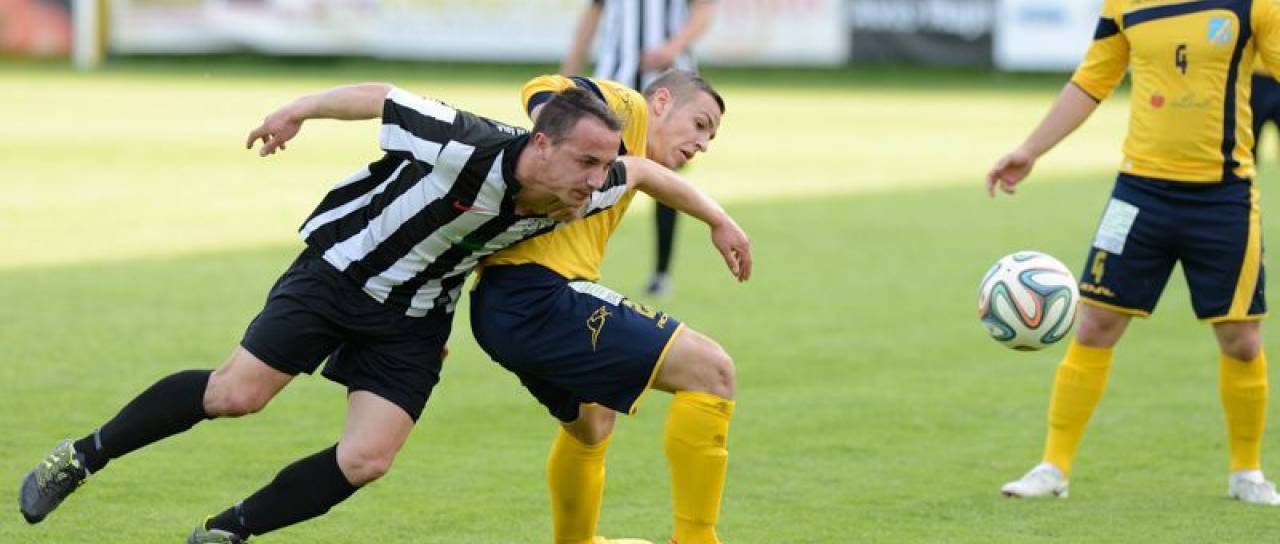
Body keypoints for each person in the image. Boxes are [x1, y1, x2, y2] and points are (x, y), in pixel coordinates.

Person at [18, 83, 636, 543]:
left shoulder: (590, 187)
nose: (596, 178)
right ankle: (80, 456)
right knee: (235, 395)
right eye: (586, 162)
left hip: (415, 318)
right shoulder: (467, 141)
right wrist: (299, 110)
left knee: (367, 460)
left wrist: (696, 210)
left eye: (603, 165)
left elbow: (646, 173)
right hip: (340, 273)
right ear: (542, 143)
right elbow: (383, 98)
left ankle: (227, 531)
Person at [987, 1, 1280, 505]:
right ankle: (1052, 468)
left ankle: (1246, 472)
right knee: (1095, 324)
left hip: (1224, 197)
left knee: (1241, 340)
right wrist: (1031, 150)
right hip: (1139, 194)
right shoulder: (1125, 3)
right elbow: (1091, 80)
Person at [472, 70, 741, 544]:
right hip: (538, 296)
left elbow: (651, 178)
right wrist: (558, 135)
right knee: (712, 371)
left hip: (501, 310)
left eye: (711, 137)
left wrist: (716, 219)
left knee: (592, 423)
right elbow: (543, 87)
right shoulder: (629, 110)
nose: (702, 143)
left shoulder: (620, 166)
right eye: (699, 124)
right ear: (662, 101)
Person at [561, 0, 719, 297]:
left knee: (665, 174)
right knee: (593, 174)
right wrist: (569, 73)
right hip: (614, 81)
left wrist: (674, 46)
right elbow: (593, 13)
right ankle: (571, 266)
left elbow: (704, 8)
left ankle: (661, 273)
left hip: (672, 86)